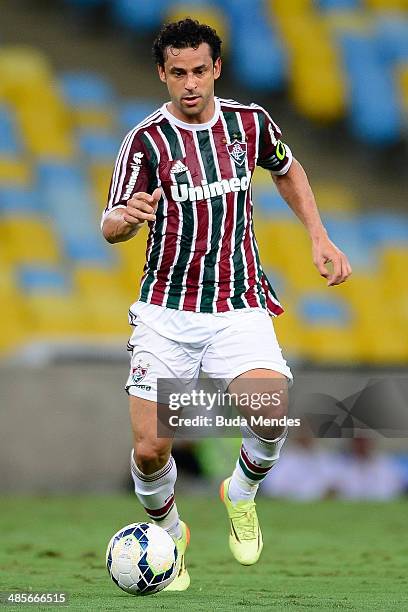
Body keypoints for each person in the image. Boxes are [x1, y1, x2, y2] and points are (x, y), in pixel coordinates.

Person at [101, 18, 352, 591]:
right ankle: (171, 534)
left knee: (269, 412)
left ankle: (240, 492)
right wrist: (122, 221)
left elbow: (288, 170)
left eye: (199, 71)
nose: (190, 84)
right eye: (177, 73)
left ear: (216, 69)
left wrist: (319, 235)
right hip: (165, 314)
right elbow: (112, 221)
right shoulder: (144, 141)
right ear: (162, 74)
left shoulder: (250, 124)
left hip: (238, 304)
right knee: (149, 449)